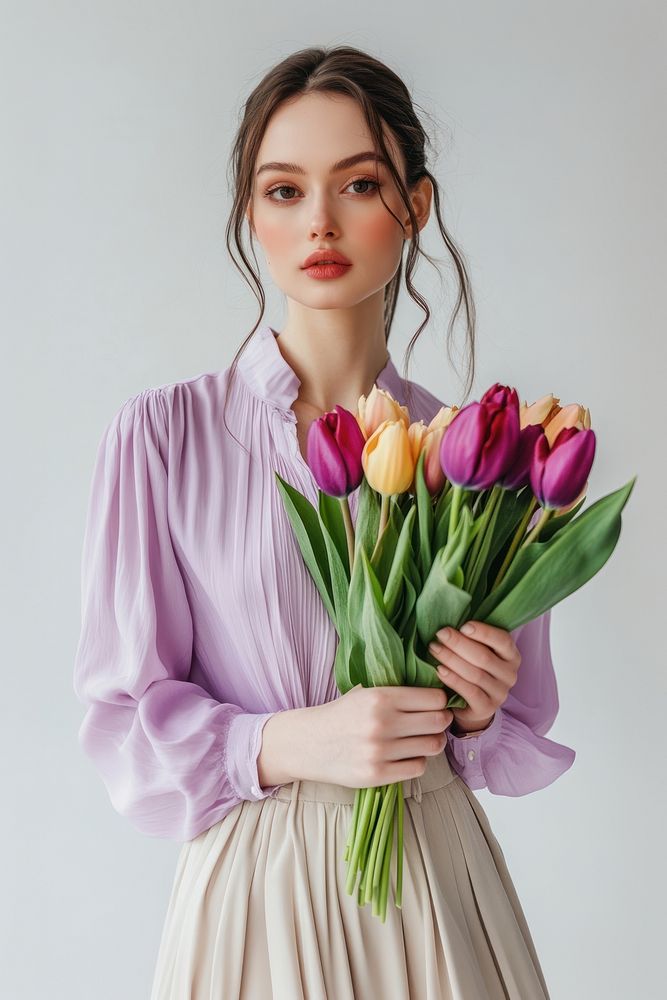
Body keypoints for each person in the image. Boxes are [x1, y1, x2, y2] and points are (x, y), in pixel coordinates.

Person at [73, 44, 576, 1000]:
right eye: (282, 191)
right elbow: (119, 720)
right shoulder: (165, 436)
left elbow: (510, 730)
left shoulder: (476, 456)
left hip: (431, 881)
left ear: (414, 206)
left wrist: (473, 709)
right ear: (249, 216)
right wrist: (288, 743)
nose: (319, 222)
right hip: (254, 890)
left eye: (357, 183)